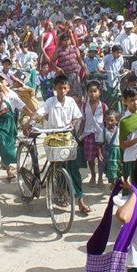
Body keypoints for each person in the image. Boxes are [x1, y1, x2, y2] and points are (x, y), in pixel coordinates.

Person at [33, 74, 90, 214]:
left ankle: (80, 200)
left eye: (65, 88)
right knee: (57, 164)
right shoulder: (50, 102)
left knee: (73, 168)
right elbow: (39, 113)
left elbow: (77, 117)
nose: (62, 91)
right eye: (60, 88)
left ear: (68, 88)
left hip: (67, 136)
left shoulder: (70, 101)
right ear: (54, 88)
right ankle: (58, 189)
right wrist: (31, 120)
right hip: (52, 136)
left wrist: (72, 123)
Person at [0, 73, 26, 181]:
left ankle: (6, 162)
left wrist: (33, 115)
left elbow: (22, 106)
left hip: (11, 121)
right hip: (0, 123)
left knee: (11, 143)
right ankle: (9, 170)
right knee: (4, 144)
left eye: (1, 82)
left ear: (6, 82)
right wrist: (0, 101)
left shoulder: (12, 94)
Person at [79, 81, 106, 187]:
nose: (93, 94)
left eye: (95, 91)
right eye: (90, 92)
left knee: (101, 158)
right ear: (87, 93)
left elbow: (106, 121)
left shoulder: (103, 106)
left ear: (99, 92)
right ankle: (93, 175)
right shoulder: (84, 106)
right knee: (90, 158)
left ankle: (100, 177)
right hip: (88, 135)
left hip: (100, 136)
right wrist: (79, 135)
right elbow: (82, 121)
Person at [102, 112, 121, 188]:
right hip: (109, 153)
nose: (109, 122)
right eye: (107, 120)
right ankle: (113, 183)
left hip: (119, 152)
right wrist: (100, 154)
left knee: (119, 168)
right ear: (104, 120)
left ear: (116, 121)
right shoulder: (104, 131)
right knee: (111, 169)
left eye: (112, 120)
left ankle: (117, 182)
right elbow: (100, 144)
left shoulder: (119, 130)